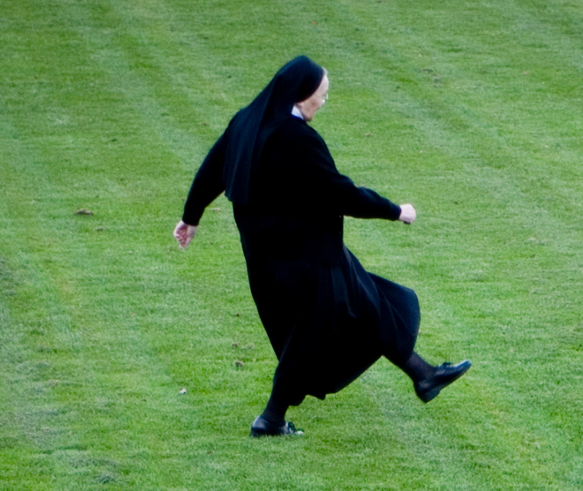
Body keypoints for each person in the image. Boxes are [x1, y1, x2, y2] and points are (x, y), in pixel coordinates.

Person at [173, 55, 470, 437]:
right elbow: (339, 192)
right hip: (303, 257)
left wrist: (191, 217)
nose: (324, 101)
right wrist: (396, 211)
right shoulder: (294, 138)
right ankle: (270, 419)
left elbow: (212, 167)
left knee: (368, 301)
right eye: (321, 95)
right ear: (300, 96)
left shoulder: (248, 120)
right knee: (310, 336)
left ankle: (424, 375)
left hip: (279, 253)